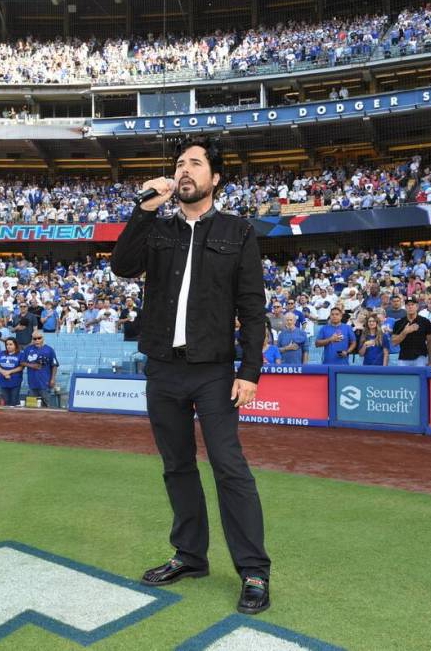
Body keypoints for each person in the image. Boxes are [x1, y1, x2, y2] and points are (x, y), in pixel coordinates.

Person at [110, 135, 271, 615]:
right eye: (179, 163)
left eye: (195, 163)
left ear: (214, 177)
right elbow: (122, 266)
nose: (184, 170)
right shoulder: (158, 229)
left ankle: (254, 571)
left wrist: (251, 370)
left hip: (214, 372)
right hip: (162, 368)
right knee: (177, 466)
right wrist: (144, 209)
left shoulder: (238, 231)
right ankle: (189, 556)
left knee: (229, 467)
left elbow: (253, 308)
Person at [391, 297, 431, 367]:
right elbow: (394, 342)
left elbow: (430, 342)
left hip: (420, 357)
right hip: (403, 358)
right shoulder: (399, 323)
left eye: (412, 304)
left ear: (417, 306)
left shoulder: (425, 322)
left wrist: (430, 360)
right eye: (408, 305)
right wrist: (405, 332)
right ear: (405, 307)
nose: (410, 307)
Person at [21, 331, 58, 407]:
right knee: (31, 406)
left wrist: (53, 379)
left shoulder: (49, 350)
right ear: (32, 339)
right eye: (35, 339)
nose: (37, 340)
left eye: (39, 338)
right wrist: (32, 366)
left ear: (43, 338)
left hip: (45, 382)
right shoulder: (28, 349)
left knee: (47, 405)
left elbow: (54, 365)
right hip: (32, 383)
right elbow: (22, 362)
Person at [0, 338, 25, 406]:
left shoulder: (20, 354)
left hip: (15, 382)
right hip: (3, 382)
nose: (8, 346)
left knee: (14, 401)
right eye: (7, 344)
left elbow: (21, 367)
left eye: (11, 344)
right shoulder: (1, 353)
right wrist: (4, 372)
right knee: (6, 401)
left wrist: (9, 372)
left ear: (15, 345)